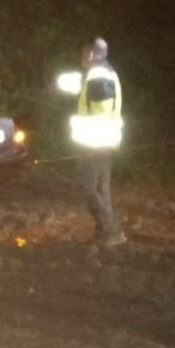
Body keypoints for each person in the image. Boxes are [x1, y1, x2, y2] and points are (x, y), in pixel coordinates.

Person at [70, 37, 127, 247]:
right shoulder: (108, 72)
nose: (82, 57)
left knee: (89, 187)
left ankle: (112, 230)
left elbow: (99, 111)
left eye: (85, 53)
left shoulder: (96, 75)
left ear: (93, 54)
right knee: (102, 188)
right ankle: (105, 231)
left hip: (95, 142)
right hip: (107, 140)